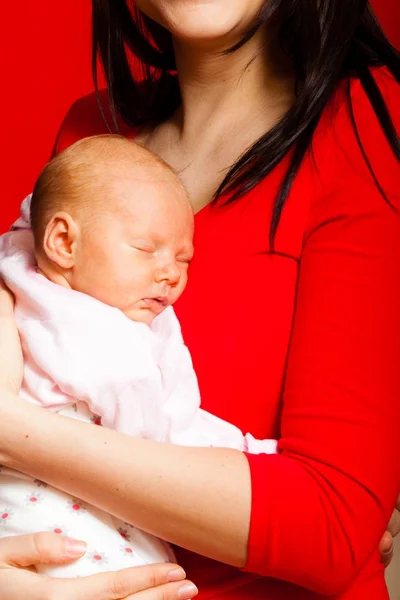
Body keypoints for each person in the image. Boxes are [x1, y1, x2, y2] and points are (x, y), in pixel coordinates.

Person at [0, 0, 399, 598]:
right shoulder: (93, 135)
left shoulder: (368, 123)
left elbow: (331, 529)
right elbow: (23, 308)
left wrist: (16, 434)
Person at [0, 134, 276, 579]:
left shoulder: (21, 269)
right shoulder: (104, 337)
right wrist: (260, 458)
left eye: (184, 258)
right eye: (146, 249)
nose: (170, 272)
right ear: (64, 243)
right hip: (61, 523)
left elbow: (33, 214)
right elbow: (167, 443)